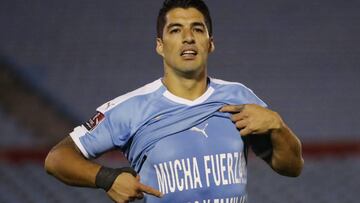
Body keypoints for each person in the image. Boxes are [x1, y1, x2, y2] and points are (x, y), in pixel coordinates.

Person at [45, 0, 304, 202]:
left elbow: (292, 168)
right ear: (160, 45)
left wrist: (278, 127)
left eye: (197, 29)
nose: (188, 37)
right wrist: (106, 178)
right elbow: (57, 158)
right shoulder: (131, 109)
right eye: (176, 30)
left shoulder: (239, 97)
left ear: (210, 43)